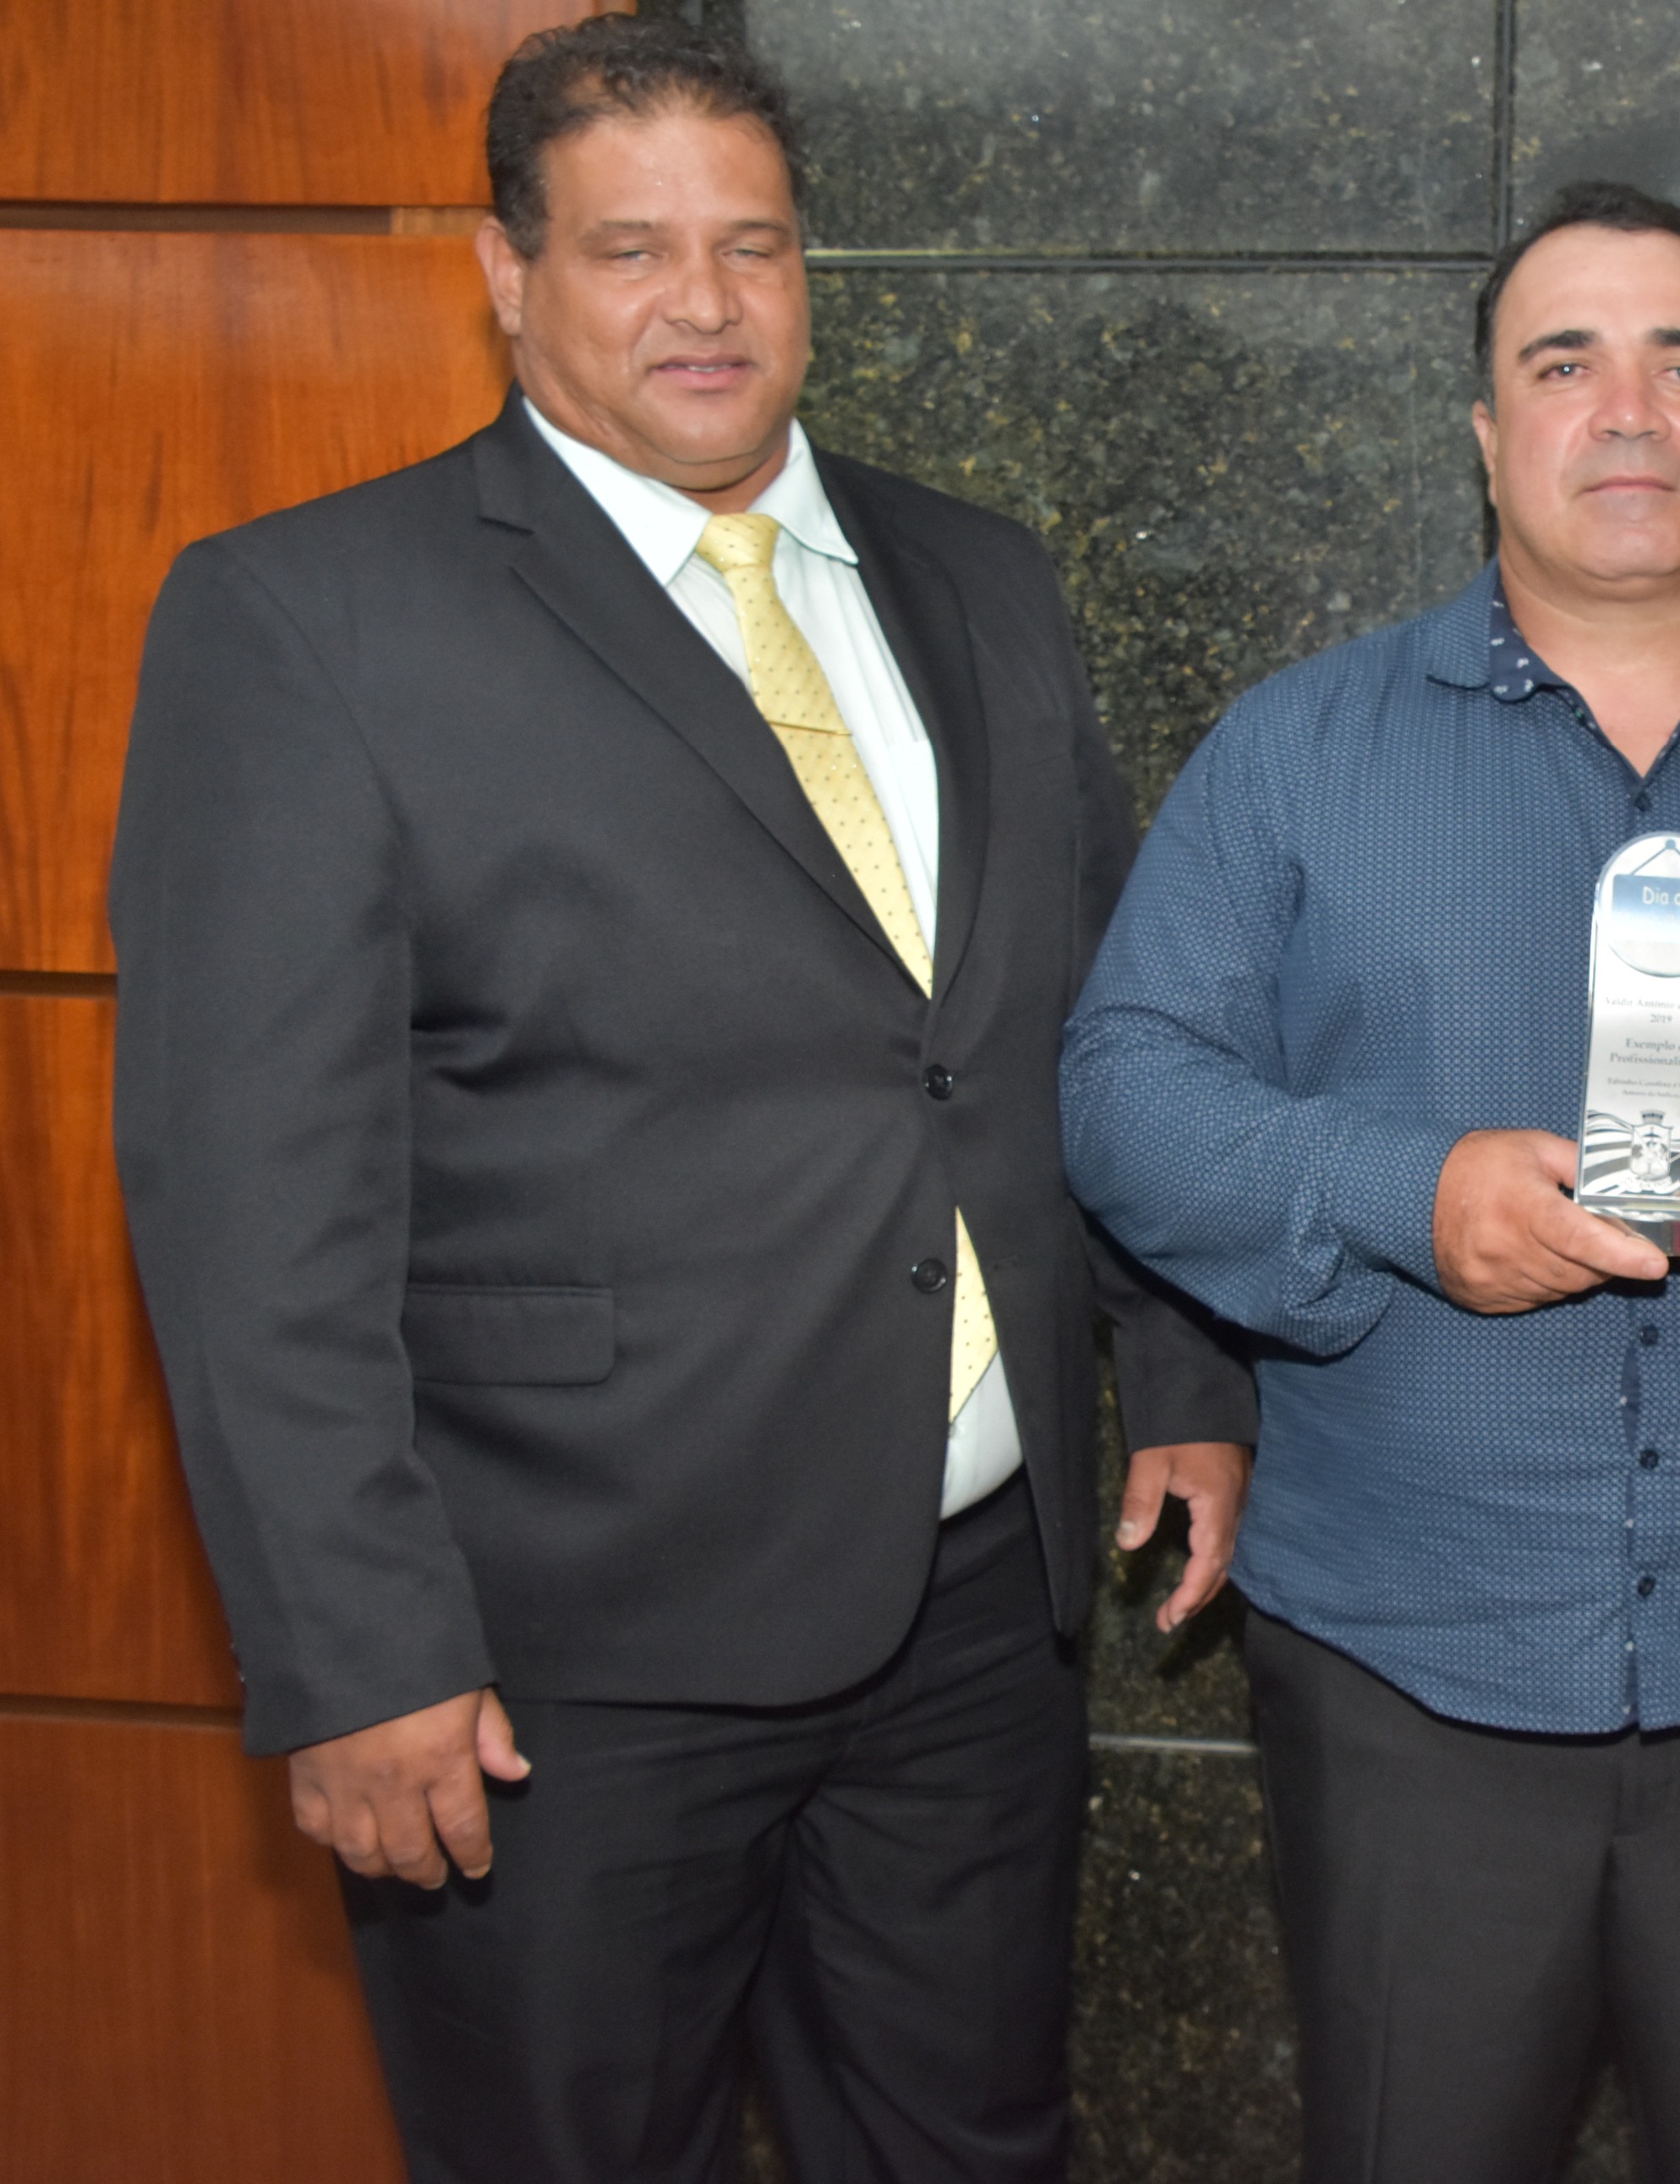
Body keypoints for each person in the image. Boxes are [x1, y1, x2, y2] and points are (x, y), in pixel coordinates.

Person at [107, 19, 1252, 2181]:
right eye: (630, 249)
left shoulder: (980, 577)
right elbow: (252, 1200)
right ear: (506, 272)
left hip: (971, 1617)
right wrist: (356, 1651)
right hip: (558, 1665)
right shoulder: (307, 618)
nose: (705, 303)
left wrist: (1183, 1372)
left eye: (754, 244)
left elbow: (1085, 1030)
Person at [1061, 180, 1680, 2184]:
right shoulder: (1295, 757)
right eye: (1563, 363)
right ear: (1488, 434)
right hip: (1409, 1676)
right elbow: (1122, 1092)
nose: (1626, 409)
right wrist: (1401, 1194)